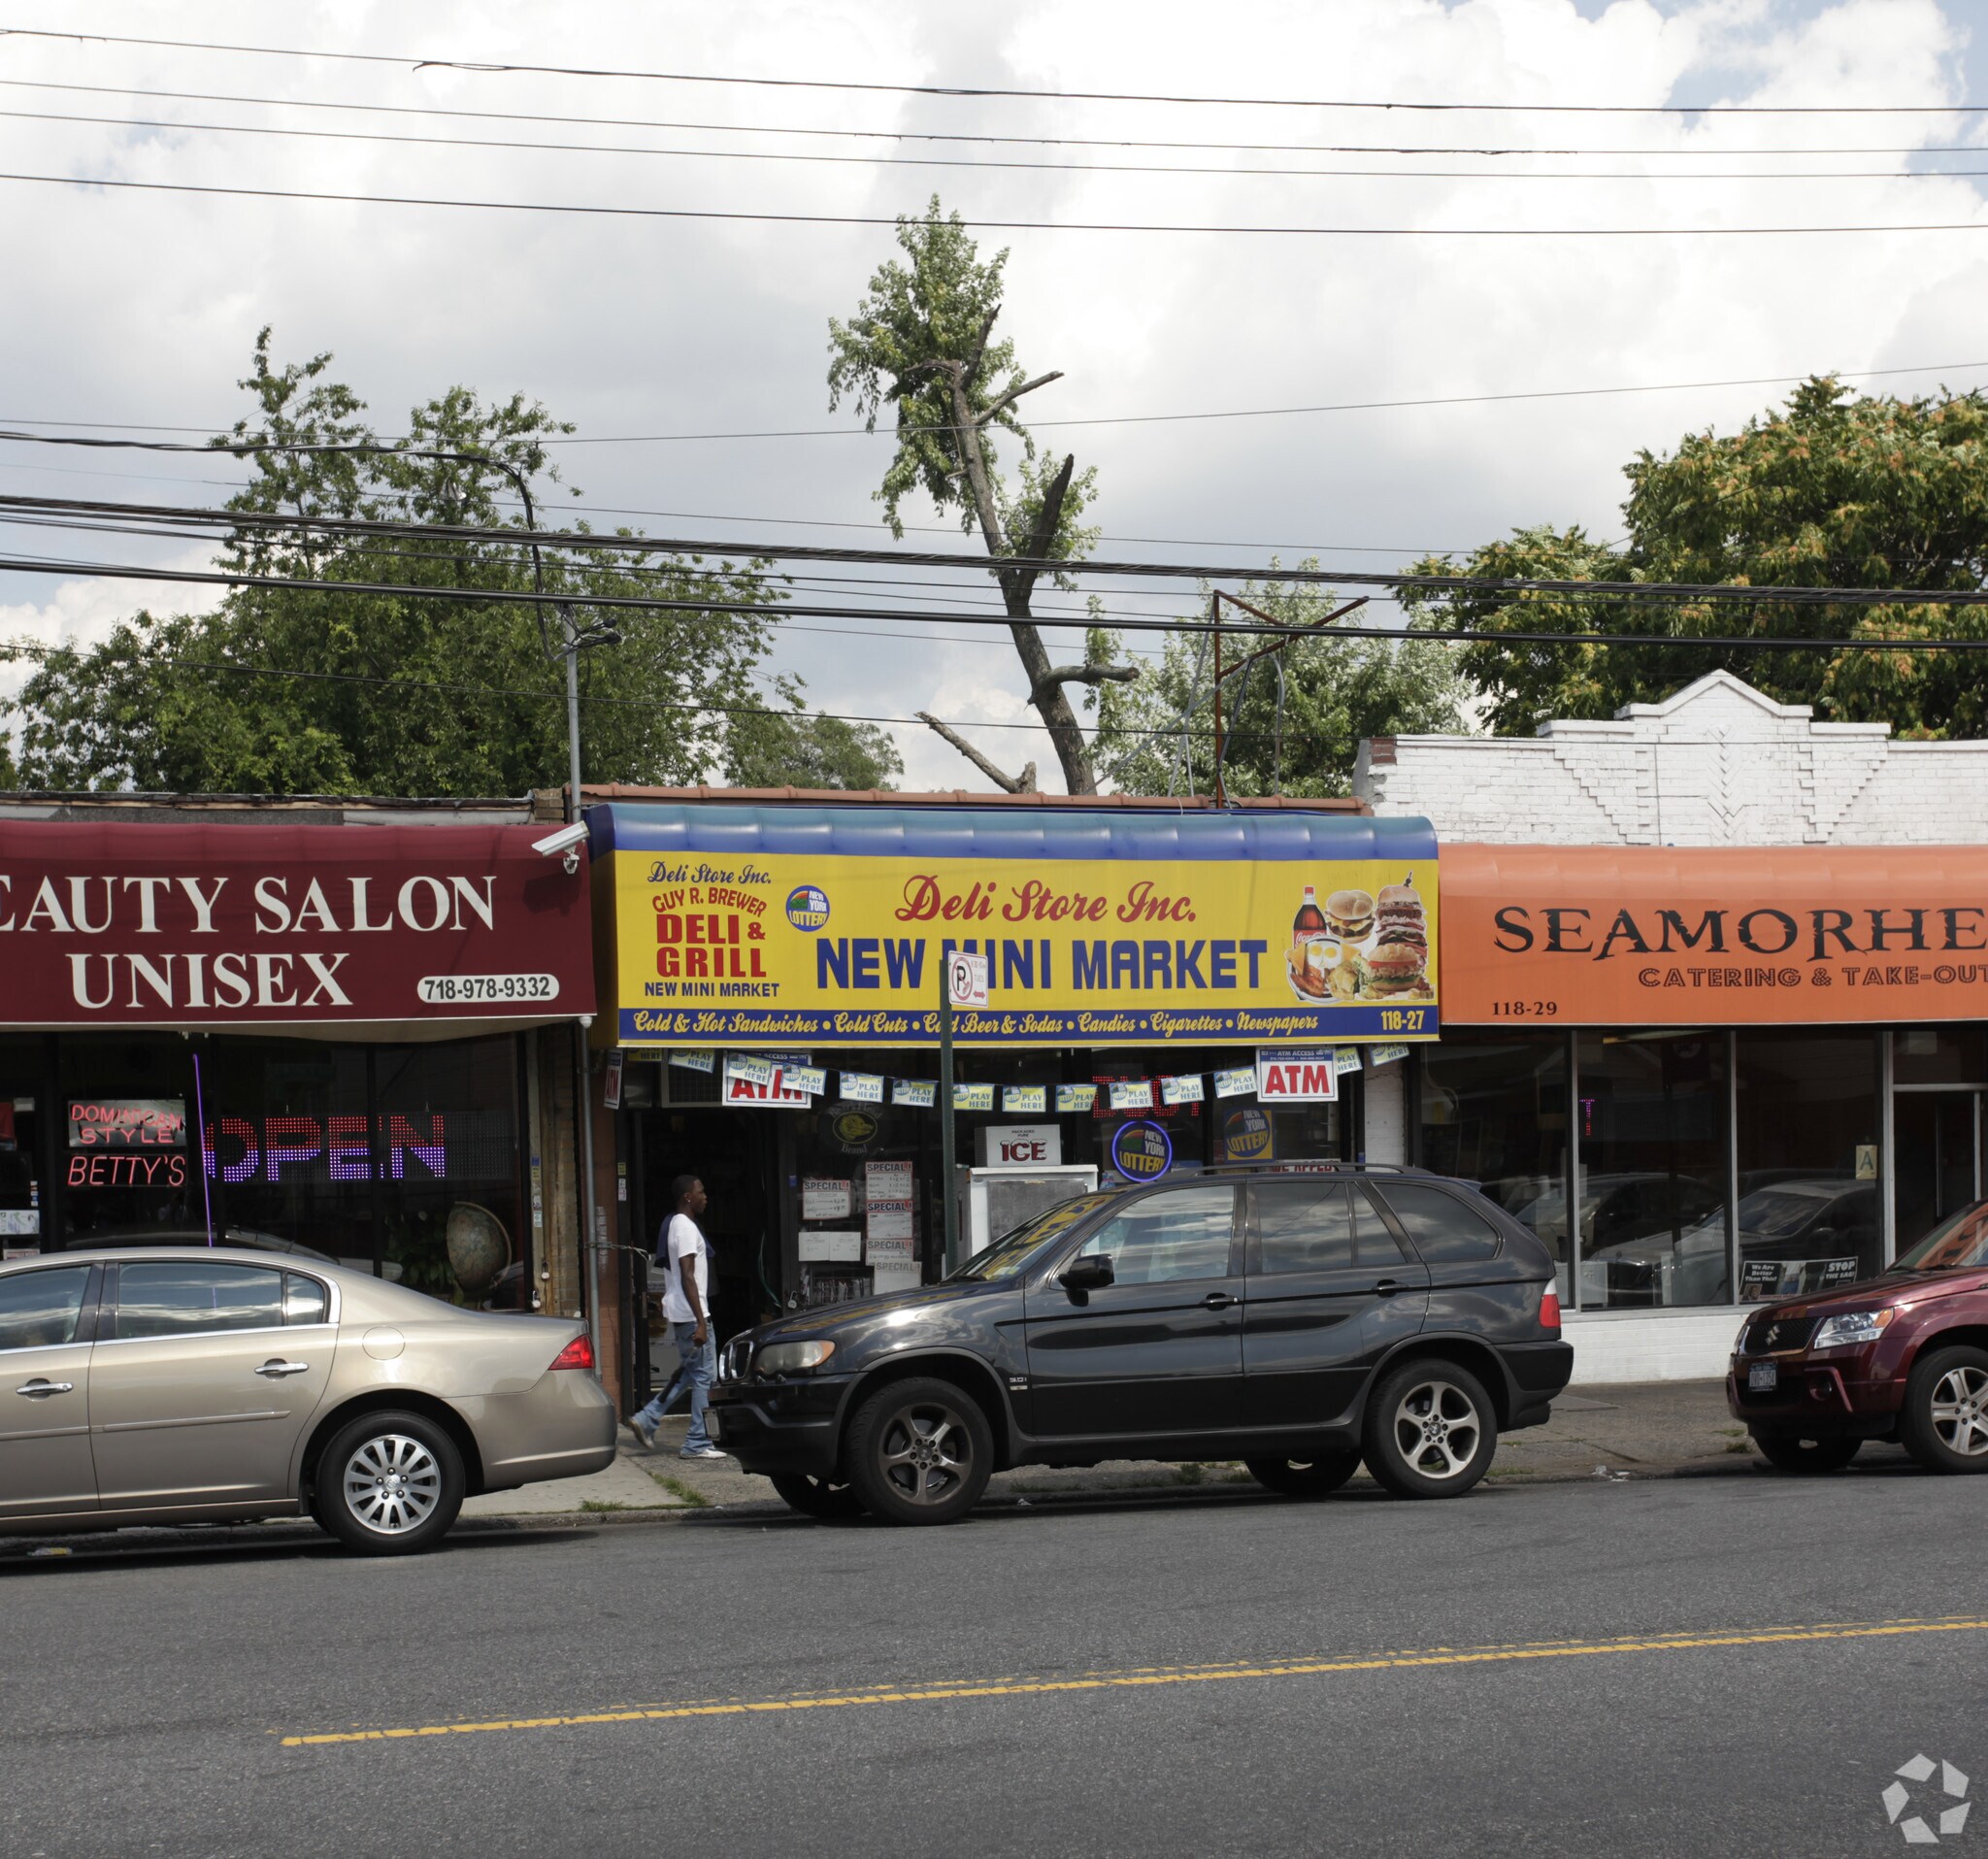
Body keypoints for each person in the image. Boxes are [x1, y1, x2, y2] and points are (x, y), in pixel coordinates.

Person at [627, 1175, 728, 1459]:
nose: (705, 1196)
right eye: (701, 1191)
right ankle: (697, 1443)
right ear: (687, 1197)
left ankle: (647, 1418)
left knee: (690, 1373)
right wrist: (701, 1320)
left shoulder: (673, 1223)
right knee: (704, 1378)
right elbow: (687, 1275)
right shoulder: (684, 1227)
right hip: (691, 1313)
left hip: (683, 1311)